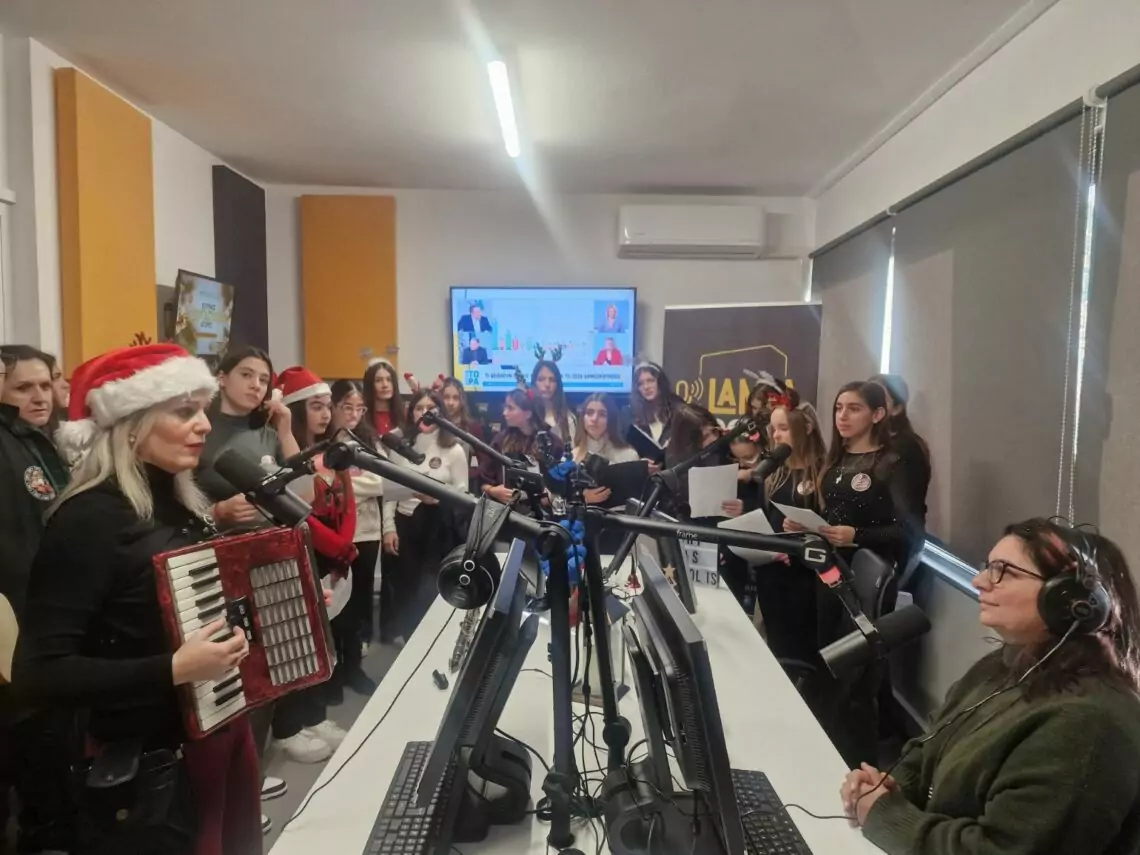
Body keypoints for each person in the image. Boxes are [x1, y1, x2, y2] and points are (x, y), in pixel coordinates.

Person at [13, 344, 261, 855]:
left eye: (202, 410)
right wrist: (172, 668)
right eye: (184, 411)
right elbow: (39, 674)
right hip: (150, 763)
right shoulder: (89, 519)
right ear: (130, 424)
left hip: (218, 723)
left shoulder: (179, 502)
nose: (204, 425)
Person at [842, 520, 1140, 855]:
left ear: (1067, 600)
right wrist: (891, 787)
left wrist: (886, 815)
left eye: (1003, 571)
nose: (979, 581)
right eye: (988, 566)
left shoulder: (1089, 726)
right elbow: (930, 747)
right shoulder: (1006, 664)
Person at [789, 380, 919, 766]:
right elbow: (832, 515)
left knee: (858, 675)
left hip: (868, 579)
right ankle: (823, 754)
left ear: (877, 414)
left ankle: (859, 763)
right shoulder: (838, 458)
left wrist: (856, 535)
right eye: (838, 408)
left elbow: (908, 531)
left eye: (854, 408)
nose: (842, 416)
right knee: (827, 666)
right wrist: (810, 525)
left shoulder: (892, 463)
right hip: (829, 573)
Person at [0, 345, 74, 854]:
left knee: (48, 759)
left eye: (45, 385)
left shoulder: (43, 442)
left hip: (50, 621)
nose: (39, 396)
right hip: (15, 624)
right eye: (23, 387)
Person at [270, 366, 355, 764]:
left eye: (327, 406)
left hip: (333, 555)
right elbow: (298, 507)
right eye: (316, 406)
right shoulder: (281, 450)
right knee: (297, 642)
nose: (325, 414)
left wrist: (343, 544)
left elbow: (348, 500)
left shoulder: (333, 450)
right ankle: (290, 725)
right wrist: (334, 544)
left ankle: (315, 715)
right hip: (302, 551)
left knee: (324, 640)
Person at [382, 390, 468, 644]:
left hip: (439, 526)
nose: (424, 413)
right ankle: (410, 638)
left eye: (431, 408)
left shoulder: (454, 449)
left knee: (432, 586)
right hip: (406, 522)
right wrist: (388, 528)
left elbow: (462, 494)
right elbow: (388, 493)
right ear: (411, 413)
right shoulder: (400, 447)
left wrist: (438, 498)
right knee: (406, 584)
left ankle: (434, 638)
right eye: (419, 408)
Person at [194, 346, 300, 530]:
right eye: (246, 375)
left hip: (269, 539)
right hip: (210, 539)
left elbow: (302, 491)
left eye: (263, 380)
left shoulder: (269, 435)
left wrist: (286, 432)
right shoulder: (199, 429)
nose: (256, 385)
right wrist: (218, 512)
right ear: (222, 379)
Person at [757, 392, 827, 665]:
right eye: (773, 429)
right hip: (773, 573)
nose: (776, 436)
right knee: (777, 646)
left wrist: (809, 527)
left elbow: (832, 526)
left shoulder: (823, 473)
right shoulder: (777, 472)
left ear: (806, 428)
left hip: (805, 578)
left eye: (783, 428)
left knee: (801, 648)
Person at [327, 380, 381, 698]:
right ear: (333, 407)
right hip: (335, 536)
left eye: (359, 408)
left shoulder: (368, 441)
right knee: (336, 605)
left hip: (367, 532)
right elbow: (321, 484)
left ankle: (354, 668)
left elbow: (380, 483)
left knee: (359, 602)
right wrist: (345, 486)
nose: (354, 414)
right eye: (347, 407)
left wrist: (342, 486)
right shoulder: (324, 443)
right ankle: (334, 670)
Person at [869, 372, 931, 564]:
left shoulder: (904, 448)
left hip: (890, 554)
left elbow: (904, 517)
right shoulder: (868, 444)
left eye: (879, 399)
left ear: (897, 408)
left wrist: (856, 533)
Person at [480, 389, 564, 506]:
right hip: (507, 511)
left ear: (528, 414)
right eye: (505, 407)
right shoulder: (501, 440)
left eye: (510, 408)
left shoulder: (552, 443)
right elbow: (482, 482)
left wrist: (552, 498)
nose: (504, 413)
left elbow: (562, 491)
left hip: (542, 514)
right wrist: (493, 491)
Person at [572, 393, 638, 506]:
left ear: (611, 419)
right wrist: (581, 499)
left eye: (602, 414)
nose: (594, 419)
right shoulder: (572, 456)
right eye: (589, 413)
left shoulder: (629, 456)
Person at [440, 376, 485, 489]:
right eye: (446, 397)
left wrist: (470, 474)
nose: (450, 403)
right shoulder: (435, 425)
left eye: (456, 398)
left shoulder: (473, 427)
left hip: (464, 484)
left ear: (462, 400)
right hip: (439, 482)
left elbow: (483, 461)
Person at [631, 362, 680, 445]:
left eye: (650, 381)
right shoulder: (632, 415)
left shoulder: (678, 409)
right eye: (640, 384)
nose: (646, 387)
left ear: (661, 382)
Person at [531, 360, 577, 443]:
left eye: (552, 380)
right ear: (534, 383)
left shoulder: (568, 419)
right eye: (541, 379)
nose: (547, 384)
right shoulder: (526, 416)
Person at [363, 358, 405, 437]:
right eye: (378, 380)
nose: (385, 385)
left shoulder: (404, 415)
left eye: (389, 380)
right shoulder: (362, 416)